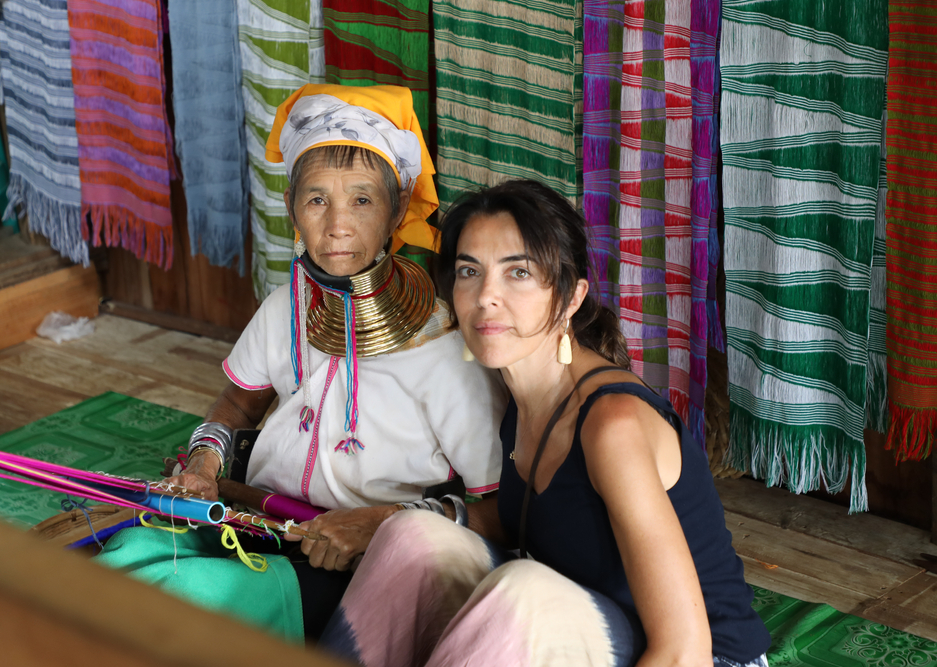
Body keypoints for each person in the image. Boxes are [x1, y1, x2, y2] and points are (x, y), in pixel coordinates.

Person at [95, 84, 506, 641]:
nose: (337, 223)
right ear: (292, 209)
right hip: (252, 520)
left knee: (179, 598)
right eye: (317, 200)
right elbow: (239, 403)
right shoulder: (283, 309)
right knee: (119, 559)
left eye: (362, 199)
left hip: (352, 564)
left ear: (396, 210)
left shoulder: (445, 346)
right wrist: (203, 467)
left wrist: (375, 526)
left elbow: (493, 511)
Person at [320, 180, 771, 667]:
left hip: (700, 658)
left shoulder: (611, 425)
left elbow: (685, 652)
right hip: (595, 630)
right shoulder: (517, 394)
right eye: (470, 271)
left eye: (518, 272)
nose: (486, 297)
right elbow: (538, 517)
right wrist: (387, 520)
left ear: (571, 296)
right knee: (409, 536)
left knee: (524, 591)